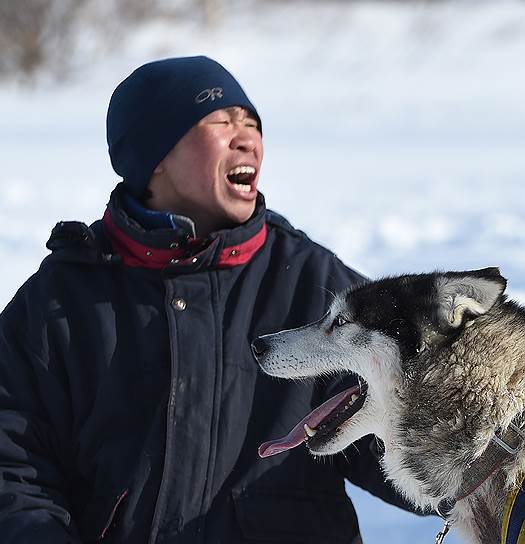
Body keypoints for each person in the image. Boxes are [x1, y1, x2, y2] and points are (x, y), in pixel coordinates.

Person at [0, 56, 410, 544]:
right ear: (155, 159)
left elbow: (412, 440)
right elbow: (13, 469)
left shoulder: (314, 284)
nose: (247, 138)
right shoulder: (61, 303)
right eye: (221, 121)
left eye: (252, 123)